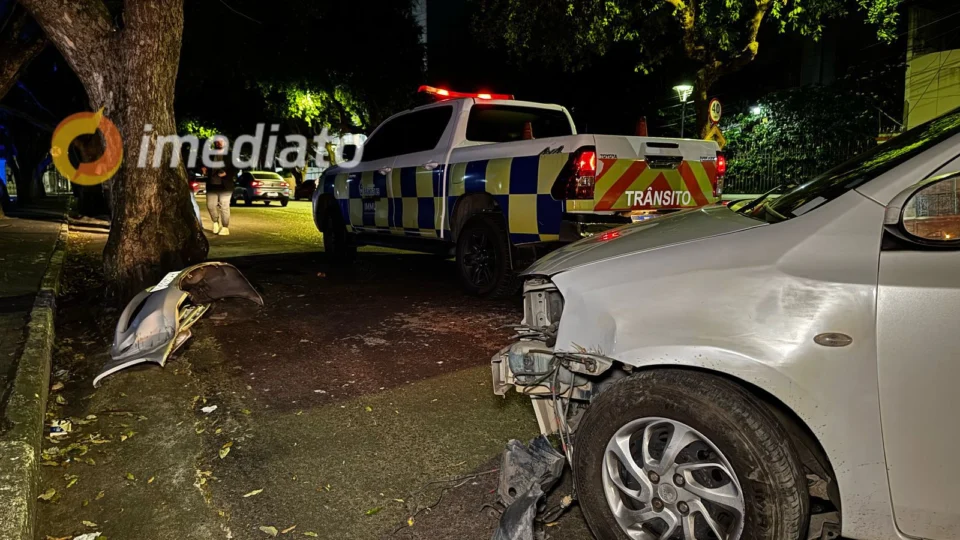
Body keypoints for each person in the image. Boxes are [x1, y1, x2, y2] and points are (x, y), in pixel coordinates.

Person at [205, 141, 235, 236]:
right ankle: (215, 222)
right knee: (210, 205)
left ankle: (225, 227)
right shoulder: (209, 154)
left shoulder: (231, 155)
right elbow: (202, 164)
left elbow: (236, 169)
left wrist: (227, 174)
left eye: (222, 141)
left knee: (224, 206)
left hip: (225, 185)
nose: (219, 143)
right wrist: (203, 169)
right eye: (218, 141)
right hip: (212, 185)